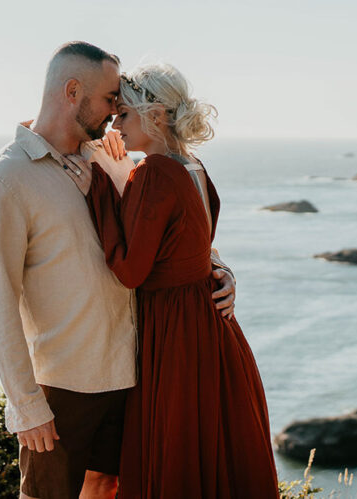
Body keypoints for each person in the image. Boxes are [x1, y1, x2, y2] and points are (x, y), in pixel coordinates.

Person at [0, 42, 237, 499]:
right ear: (73, 90)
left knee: (109, 488)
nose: (117, 111)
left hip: (131, 374)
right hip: (64, 385)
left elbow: (165, 231)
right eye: (111, 98)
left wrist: (216, 268)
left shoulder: (105, 156)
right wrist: (26, 405)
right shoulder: (8, 178)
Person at [63, 63, 279, 499]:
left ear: (156, 115)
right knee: (213, 457)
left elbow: (130, 272)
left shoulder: (156, 172)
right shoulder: (195, 167)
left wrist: (100, 189)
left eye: (123, 114)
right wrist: (222, 270)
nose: (115, 125)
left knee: (174, 458)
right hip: (213, 333)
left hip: (175, 335)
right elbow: (194, 247)